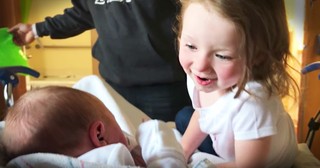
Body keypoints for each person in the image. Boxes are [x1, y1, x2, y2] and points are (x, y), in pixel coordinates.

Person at [8, 0, 191, 122]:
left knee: (168, 152)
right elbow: (83, 13)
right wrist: (37, 29)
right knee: (123, 150)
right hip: (114, 84)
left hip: (165, 87)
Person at [175, 0, 299, 167]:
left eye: (222, 56)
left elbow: (247, 166)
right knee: (183, 117)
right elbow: (204, 115)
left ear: (258, 56)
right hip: (231, 142)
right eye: (191, 46)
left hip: (259, 159)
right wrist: (179, 154)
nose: (200, 65)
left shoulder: (252, 105)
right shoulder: (203, 77)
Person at [1, 86, 186, 167]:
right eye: (113, 120)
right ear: (99, 135)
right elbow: (166, 158)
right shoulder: (110, 157)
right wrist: (152, 130)